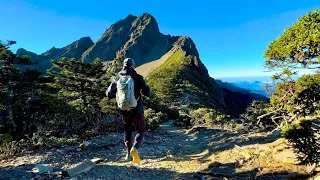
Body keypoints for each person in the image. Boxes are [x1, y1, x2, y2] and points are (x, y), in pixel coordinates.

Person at [106, 58, 151, 164]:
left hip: (124, 109)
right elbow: (147, 93)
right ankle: (135, 149)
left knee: (127, 130)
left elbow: (109, 94)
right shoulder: (138, 78)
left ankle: (128, 155)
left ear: (123, 65)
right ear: (133, 66)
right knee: (141, 130)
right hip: (137, 109)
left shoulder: (117, 78)